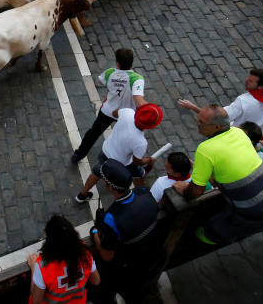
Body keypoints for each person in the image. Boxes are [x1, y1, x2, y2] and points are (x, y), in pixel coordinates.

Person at [173, 105, 263, 245]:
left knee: (206, 233)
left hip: (254, 210)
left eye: (201, 122)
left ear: (217, 127)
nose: (197, 124)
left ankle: (209, 237)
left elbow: (196, 191)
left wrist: (184, 190)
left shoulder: (205, 149)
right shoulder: (239, 132)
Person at [87, 159, 161, 304]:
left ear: (109, 186)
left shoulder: (112, 219)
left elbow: (107, 256)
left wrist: (95, 231)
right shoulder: (145, 193)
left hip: (129, 269)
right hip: (154, 256)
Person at [72, 48, 148, 163]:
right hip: (127, 116)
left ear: (117, 63)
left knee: (93, 133)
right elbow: (139, 101)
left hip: (108, 110)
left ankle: (78, 155)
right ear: (132, 62)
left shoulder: (109, 73)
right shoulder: (138, 80)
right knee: (124, 136)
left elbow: (101, 81)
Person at [75, 105, 163, 202]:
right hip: (120, 164)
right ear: (150, 126)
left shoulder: (127, 112)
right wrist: (149, 160)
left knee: (97, 172)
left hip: (106, 151)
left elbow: (114, 113)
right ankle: (140, 196)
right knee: (140, 174)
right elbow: (137, 161)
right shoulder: (141, 142)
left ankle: (82, 195)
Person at [27, 215, 100, 304]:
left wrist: (34, 268)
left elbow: (36, 301)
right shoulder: (84, 254)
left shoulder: (43, 266)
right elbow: (96, 281)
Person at [177, 68, 263, 132]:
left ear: (260, 87)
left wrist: (192, 107)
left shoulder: (243, 102)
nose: (246, 81)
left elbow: (218, 118)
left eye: (251, 81)